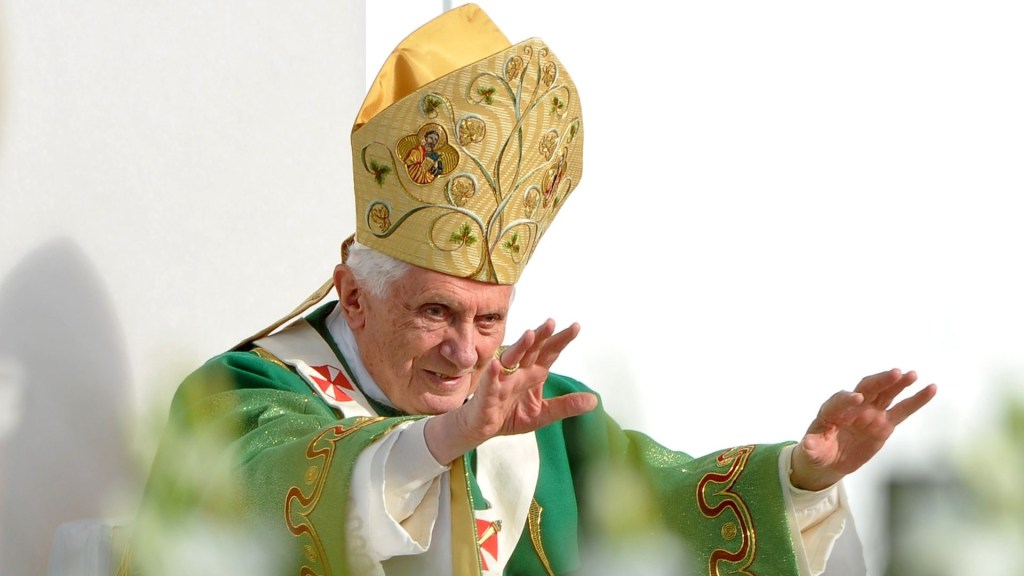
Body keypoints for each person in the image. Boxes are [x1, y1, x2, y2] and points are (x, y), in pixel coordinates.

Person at [126, 5, 936, 576]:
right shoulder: (243, 393)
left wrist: (803, 474)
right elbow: (272, 487)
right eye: (436, 311)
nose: (466, 352)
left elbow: (663, 507)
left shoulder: (536, 411)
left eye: (490, 319)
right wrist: (441, 444)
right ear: (355, 292)